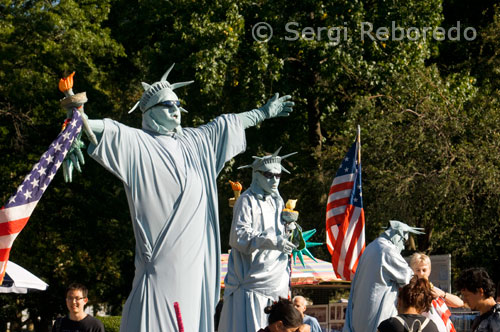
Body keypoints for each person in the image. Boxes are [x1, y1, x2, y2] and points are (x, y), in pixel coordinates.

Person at [63, 65, 295, 332]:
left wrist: (263, 113)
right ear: (149, 112)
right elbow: (106, 129)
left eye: (177, 104)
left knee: (194, 316)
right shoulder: (139, 143)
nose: (175, 110)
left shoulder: (197, 142)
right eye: (167, 105)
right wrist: (80, 121)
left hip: (198, 261)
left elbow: (228, 123)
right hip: (161, 263)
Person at [218, 148, 297, 332]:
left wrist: (290, 232)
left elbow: (281, 235)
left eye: (278, 175)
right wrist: (273, 241)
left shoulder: (278, 201)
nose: (275, 180)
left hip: (276, 280)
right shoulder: (246, 201)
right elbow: (239, 236)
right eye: (269, 175)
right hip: (251, 282)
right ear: (256, 174)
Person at [343, 220, 425, 332]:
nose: (403, 247)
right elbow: (410, 277)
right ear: (396, 236)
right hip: (378, 320)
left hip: (359, 320)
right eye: (403, 240)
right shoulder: (387, 250)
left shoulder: (371, 248)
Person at [410, 253, 463, 332]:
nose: (421, 273)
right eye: (418, 270)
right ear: (413, 271)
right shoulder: (410, 290)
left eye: (424, 270)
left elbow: (460, 303)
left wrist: (442, 294)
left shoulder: (435, 290)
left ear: (429, 270)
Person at [456, 268, 500, 332]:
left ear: (480, 291)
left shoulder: (497, 318)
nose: (464, 301)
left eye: (466, 296)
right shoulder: (480, 318)